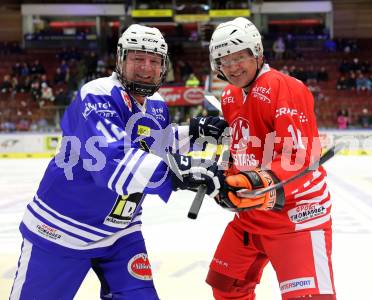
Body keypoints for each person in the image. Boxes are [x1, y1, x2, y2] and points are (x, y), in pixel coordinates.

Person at [9, 24, 227, 300]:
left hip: (120, 234)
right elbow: (110, 160)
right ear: (120, 59)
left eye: (154, 61)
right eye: (138, 59)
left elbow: (157, 144)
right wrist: (178, 170)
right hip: (61, 230)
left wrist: (197, 133)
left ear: (163, 67)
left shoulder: (156, 104)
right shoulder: (97, 94)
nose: (146, 67)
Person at [206, 17, 336, 300]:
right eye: (224, 61)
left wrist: (252, 181)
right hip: (251, 217)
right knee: (226, 285)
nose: (232, 67)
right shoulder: (229, 95)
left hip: (296, 216)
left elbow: (297, 155)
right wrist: (222, 181)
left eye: (239, 57)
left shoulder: (285, 87)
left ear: (257, 53)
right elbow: (239, 148)